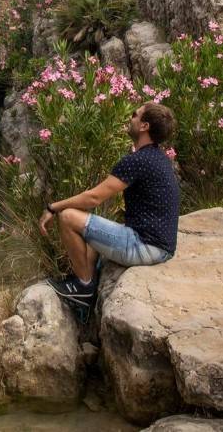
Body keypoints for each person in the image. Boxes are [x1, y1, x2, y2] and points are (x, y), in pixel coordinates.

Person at [38, 101, 180, 313]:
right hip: (161, 247)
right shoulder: (158, 158)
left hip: (145, 247)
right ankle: (89, 279)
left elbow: (94, 197)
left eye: (135, 114)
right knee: (92, 223)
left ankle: (83, 286)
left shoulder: (138, 160)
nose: (130, 118)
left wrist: (53, 207)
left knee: (68, 216)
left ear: (144, 126)